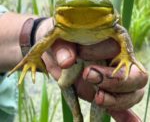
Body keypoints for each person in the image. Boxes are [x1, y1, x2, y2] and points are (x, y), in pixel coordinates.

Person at [0, 7, 148, 122]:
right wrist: (32, 56)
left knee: (102, 93)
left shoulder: (109, 24)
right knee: (65, 83)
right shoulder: (59, 27)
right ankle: (77, 117)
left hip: (97, 64)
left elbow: (121, 33)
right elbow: (45, 40)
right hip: (73, 66)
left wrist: (127, 57)